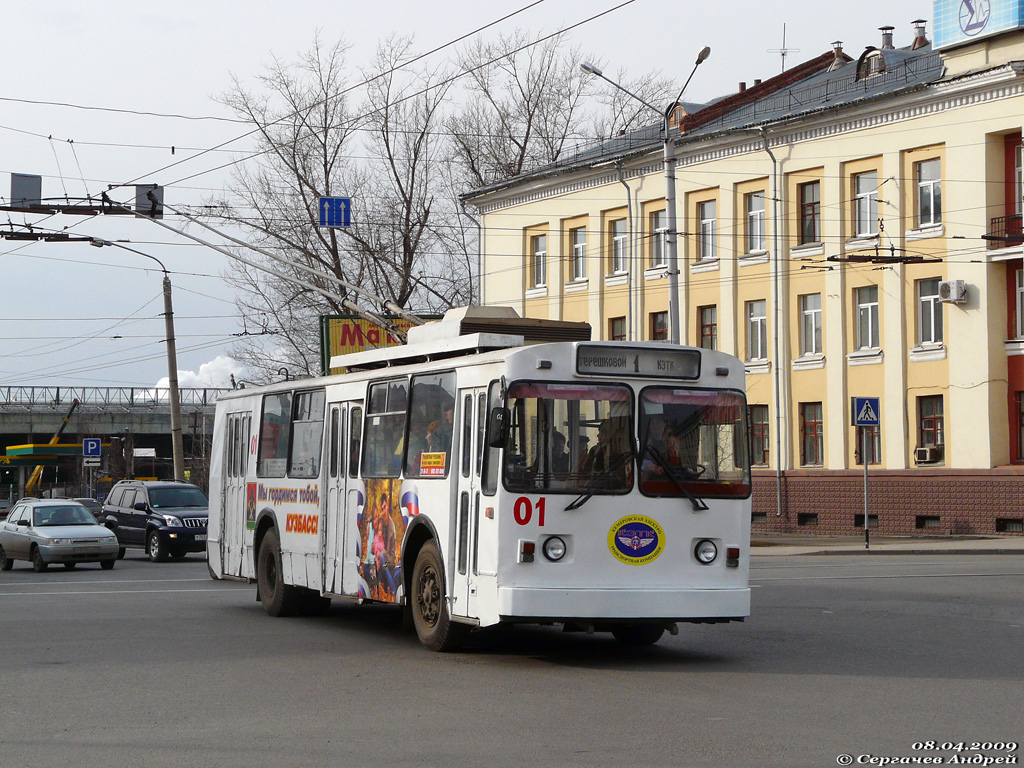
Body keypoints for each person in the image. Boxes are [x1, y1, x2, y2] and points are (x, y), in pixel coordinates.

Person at [579, 419, 630, 485]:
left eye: (601, 432)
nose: (598, 435)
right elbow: (585, 472)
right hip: (596, 486)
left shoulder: (620, 451)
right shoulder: (595, 450)